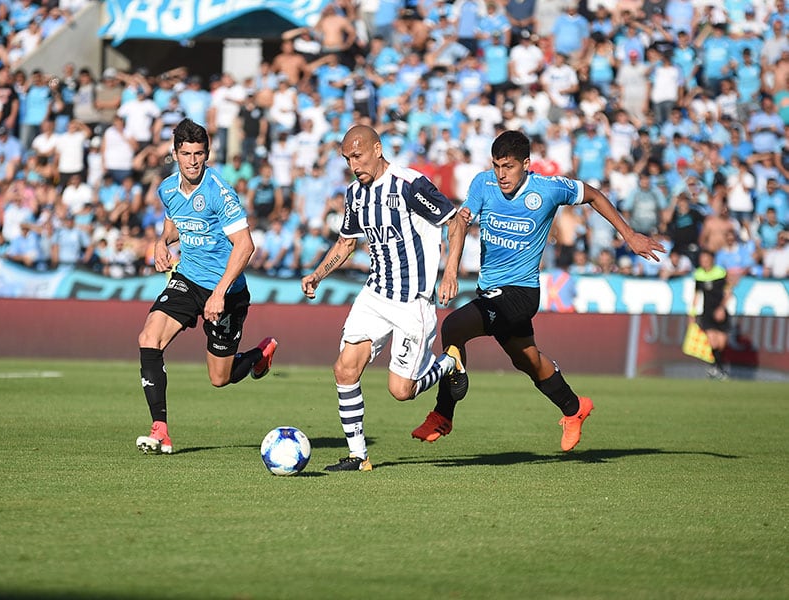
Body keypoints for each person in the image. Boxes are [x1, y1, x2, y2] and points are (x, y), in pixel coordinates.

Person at [411, 130, 665, 451]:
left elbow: (595, 195)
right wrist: (450, 270)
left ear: (526, 164)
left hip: (520, 293)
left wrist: (629, 235)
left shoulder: (548, 189)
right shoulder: (483, 183)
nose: (501, 174)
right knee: (528, 362)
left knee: (453, 326)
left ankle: (443, 413)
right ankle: (574, 409)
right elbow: (460, 222)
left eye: (508, 167)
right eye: (496, 166)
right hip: (490, 291)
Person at [300, 124, 467, 472]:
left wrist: (450, 272)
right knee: (344, 369)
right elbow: (346, 243)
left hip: (412, 301)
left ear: (378, 149)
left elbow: (456, 222)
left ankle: (450, 362)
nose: (353, 165)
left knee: (401, 391)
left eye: (357, 156)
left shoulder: (410, 185)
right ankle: (358, 455)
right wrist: (318, 273)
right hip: (375, 294)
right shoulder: (354, 194)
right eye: (347, 159)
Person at [135, 119, 278, 455]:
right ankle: (160, 431)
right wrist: (161, 241)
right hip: (187, 279)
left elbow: (245, 246)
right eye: (186, 154)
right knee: (148, 338)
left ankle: (259, 354)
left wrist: (219, 293)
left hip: (226, 291)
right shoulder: (167, 189)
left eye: (199, 153)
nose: (193, 161)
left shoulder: (219, 191)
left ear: (207, 154)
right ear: (175, 154)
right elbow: (175, 223)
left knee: (219, 378)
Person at [693, 249, 731, 380]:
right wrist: (692, 313)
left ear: (711, 260)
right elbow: (696, 294)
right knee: (713, 342)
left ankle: (714, 367)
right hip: (707, 312)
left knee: (721, 344)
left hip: (720, 311)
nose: (703, 262)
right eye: (701, 260)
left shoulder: (720, 272)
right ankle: (719, 370)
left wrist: (721, 308)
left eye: (706, 259)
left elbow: (727, 292)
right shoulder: (698, 274)